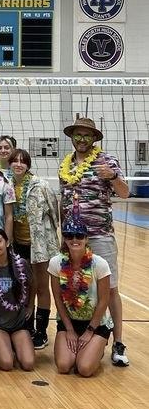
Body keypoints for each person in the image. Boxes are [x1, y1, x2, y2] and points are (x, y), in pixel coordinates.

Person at [58, 115, 130, 367]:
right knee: (74, 286)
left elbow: (124, 193)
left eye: (86, 135)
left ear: (94, 138)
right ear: (72, 137)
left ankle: (118, 343)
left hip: (99, 235)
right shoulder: (65, 165)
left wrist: (112, 176)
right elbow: (64, 203)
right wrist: (63, 235)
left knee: (110, 289)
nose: (81, 139)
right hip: (73, 238)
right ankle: (81, 334)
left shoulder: (107, 161)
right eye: (78, 134)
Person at [8, 148, 60, 350]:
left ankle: (42, 331)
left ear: (28, 165)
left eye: (23, 161)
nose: (18, 164)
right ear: (10, 164)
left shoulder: (41, 185)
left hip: (40, 245)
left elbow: (54, 214)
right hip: (17, 244)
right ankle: (27, 326)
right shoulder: (6, 184)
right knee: (24, 286)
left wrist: (53, 241)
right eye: (15, 161)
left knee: (41, 287)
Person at [48, 213, 113, 377]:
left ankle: (98, 347)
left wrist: (90, 331)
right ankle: (84, 350)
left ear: (86, 238)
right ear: (64, 239)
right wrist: (69, 329)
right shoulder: (56, 263)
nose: (74, 239)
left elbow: (104, 300)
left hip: (95, 325)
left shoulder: (100, 264)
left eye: (79, 235)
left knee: (84, 368)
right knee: (63, 366)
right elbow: (58, 299)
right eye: (69, 236)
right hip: (69, 322)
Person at [0, 228, 35, 371]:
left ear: (7, 242)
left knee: (28, 364)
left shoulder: (21, 264)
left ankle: (12, 344)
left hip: (18, 322)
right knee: (6, 364)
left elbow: (33, 285)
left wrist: (30, 306)